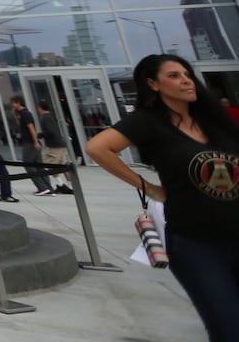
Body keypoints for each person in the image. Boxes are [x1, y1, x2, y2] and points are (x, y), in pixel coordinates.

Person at [88, 55, 239, 342]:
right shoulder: (148, 122)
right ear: (152, 84)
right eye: (174, 75)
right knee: (229, 327)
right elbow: (97, 148)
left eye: (187, 74)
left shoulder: (214, 122)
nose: (185, 80)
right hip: (197, 243)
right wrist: (150, 188)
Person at [12, 95, 54, 196]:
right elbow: (21, 125)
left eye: (13, 103)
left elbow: (31, 128)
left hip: (30, 143)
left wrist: (35, 141)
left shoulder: (26, 114)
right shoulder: (22, 114)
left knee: (28, 164)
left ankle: (42, 187)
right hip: (31, 142)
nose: (12, 105)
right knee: (38, 165)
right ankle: (48, 187)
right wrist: (14, 114)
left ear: (18, 102)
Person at [37, 98, 74, 195]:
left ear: (40, 108)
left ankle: (60, 184)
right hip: (60, 144)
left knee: (49, 165)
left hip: (53, 146)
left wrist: (40, 135)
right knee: (63, 165)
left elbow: (50, 131)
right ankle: (70, 186)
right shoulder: (52, 116)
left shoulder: (45, 118)